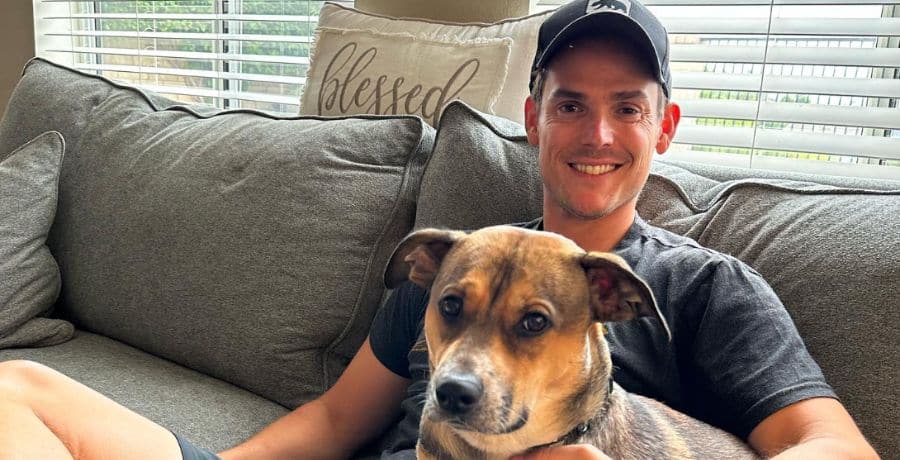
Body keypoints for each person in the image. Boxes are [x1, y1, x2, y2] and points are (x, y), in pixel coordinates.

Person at [0, 0, 879, 459]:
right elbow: (335, 423)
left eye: (626, 109)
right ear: (534, 117)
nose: (597, 135)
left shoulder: (702, 285)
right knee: (18, 393)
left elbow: (835, 447)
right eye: (570, 104)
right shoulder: (466, 263)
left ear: (666, 126)